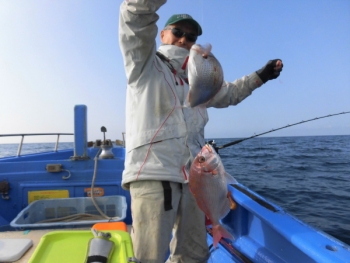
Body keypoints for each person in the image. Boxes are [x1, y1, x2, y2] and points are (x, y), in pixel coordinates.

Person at [119, 1, 283, 263]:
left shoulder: (199, 80)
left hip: (195, 179)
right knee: (148, 258)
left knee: (194, 256)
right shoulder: (144, 65)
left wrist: (260, 76)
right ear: (162, 34)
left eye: (191, 36)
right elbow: (134, 17)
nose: (184, 39)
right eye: (177, 32)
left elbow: (230, 94)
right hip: (153, 175)